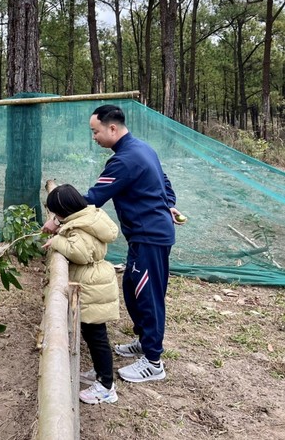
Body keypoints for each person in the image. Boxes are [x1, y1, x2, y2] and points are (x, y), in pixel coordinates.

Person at [83, 104, 185, 384]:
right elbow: (163, 181)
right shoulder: (142, 148)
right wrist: (169, 204)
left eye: (96, 131)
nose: (94, 137)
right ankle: (144, 341)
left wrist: (59, 212)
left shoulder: (124, 160)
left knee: (148, 296)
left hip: (149, 237)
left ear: (112, 128)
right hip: (147, 234)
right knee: (132, 288)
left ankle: (153, 362)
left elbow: (93, 197)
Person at [42, 184, 120, 404]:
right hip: (94, 282)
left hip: (92, 286)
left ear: (65, 210)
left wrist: (57, 240)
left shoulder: (80, 227)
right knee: (91, 333)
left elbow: (80, 252)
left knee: (97, 338)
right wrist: (58, 227)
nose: (56, 217)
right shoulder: (87, 216)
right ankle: (99, 373)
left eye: (57, 213)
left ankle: (106, 387)